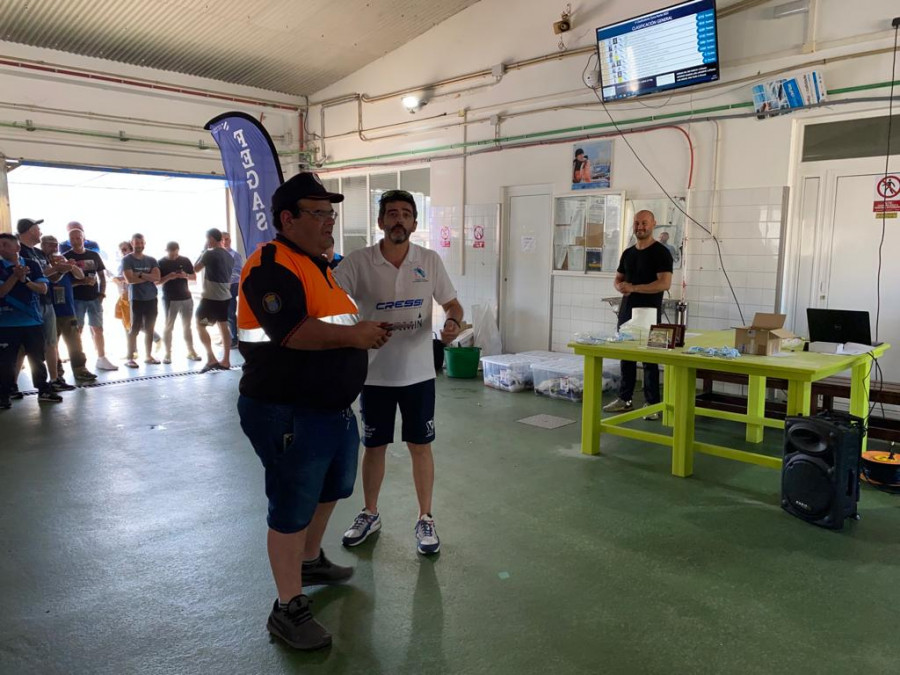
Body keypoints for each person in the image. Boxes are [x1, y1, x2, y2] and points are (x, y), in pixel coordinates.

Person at [237, 172, 390, 650]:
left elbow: (332, 321)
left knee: (332, 488)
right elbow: (292, 331)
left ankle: (308, 559)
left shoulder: (319, 264)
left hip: (331, 409)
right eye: (318, 213)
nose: (329, 222)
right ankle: (287, 608)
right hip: (286, 410)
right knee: (290, 505)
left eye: (331, 213)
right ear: (288, 218)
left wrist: (361, 335)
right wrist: (356, 335)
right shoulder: (270, 265)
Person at [334, 189, 463, 556]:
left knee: (420, 446)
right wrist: (352, 332)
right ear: (380, 222)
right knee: (373, 446)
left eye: (406, 214)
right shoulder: (358, 263)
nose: (399, 220)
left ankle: (426, 517)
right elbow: (331, 304)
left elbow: (452, 303)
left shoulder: (429, 260)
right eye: (392, 214)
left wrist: (453, 321)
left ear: (414, 224)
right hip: (373, 375)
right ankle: (370, 512)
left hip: (419, 373)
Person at [603, 210, 673, 419]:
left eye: (644, 223)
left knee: (650, 359)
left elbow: (664, 283)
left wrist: (634, 288)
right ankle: (625, 399)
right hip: (627, 313)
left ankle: (653, 405)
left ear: (653, 224)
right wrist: (620, 286)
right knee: (627, 356)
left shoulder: (661, 252)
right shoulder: (628, 253)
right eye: (636, 223)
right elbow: (618, 278)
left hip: (650, 314)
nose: (640, 227)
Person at [0, 232, 62, 407]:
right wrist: (14, 276)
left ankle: (43, 389)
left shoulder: (32, 265)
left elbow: (42, 289)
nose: (1, 247)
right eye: (0, 245)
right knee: (5, 361)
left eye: (6, 244)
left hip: (32, 320)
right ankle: (5, 393)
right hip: (6, 323)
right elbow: (2, 292)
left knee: (37, 358)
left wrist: (24, 279)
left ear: (17, 247)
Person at [40, 235, 96, 386]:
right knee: (52, 344)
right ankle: (57, 373)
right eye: (50, 245)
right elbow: (51, 278)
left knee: (75, 342)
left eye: (56, 244)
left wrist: (70, 266)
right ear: (42, 245)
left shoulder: (62, 259)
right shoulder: (41, 262)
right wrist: (58, 268)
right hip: (50, 309)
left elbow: (79, 275)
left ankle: (80, 369)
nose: (54, 248)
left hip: (68, 308)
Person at [16, 218, 65, 388]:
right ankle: (11, 385)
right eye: (38, 229)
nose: (40, 232)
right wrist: (56, 269)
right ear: (30, 230)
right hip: (29, 303)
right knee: (24, 347)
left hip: (47, 301)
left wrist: (62, 271)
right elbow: (31, 275)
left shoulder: (39, 253)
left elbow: (48, 277)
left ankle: (55, 379)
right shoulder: (18, 251)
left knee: (51, 342)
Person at [65, 226, 118, 371]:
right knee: (77, 330)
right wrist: (81, 282)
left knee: (98, 328)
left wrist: (101, 294)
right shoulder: (66, 257)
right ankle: (79, 362)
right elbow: (65, 282)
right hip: (76, 299)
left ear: (83, 238)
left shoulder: (94, 255)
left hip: (94, 298)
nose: (75, 241)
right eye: (72, 238)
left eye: (78, 238)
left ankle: (101, 358)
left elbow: (102, 276)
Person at [193, 228, 234, 372]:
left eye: (207, 239)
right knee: (223, 326)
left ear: (210, 238)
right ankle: (226, 361)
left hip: (211, 299)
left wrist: (203, 251)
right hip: (225, 297)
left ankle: (211, 358)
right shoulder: (229, 256)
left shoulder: (209, 253)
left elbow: (195, 269)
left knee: (200, 324)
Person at [121, 233, 161, 369]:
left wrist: (140, 274)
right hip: (137, 299)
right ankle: (130, 358)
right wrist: (148, 277)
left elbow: (157, 277)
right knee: (135, 329)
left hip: (151, 298)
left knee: (150, 329)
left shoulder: (151, 260)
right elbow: (129, 279)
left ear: (144, 243)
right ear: (132, 244)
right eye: (136, 243)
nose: (138, 245)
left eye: (141, 242)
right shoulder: (127, 260)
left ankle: (148, 356)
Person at [157, 241, 201, 364]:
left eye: (176, 254)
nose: (174, 256)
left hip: (186, 297)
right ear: (167, 251)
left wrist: (185, 275)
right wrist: (169, 277)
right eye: (172, 255)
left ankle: (191, 351)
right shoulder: (161, 263)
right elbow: (157, 282)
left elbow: (194, 277)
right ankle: (167, 353)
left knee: (187, 326)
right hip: (170, 298)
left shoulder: (185, 260)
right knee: (169, 327)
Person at [222, 231, 243, 347]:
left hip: (231, 287)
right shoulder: (216, 254)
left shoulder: (235, 255)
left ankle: (234, 339)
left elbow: (238, 272)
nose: (225, 242)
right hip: (219, 288)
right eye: (223, 239)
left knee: (230, 313)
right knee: (220, 314)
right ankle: (225, 337)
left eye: (227, 239)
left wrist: (227, 282)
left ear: (230, 240)